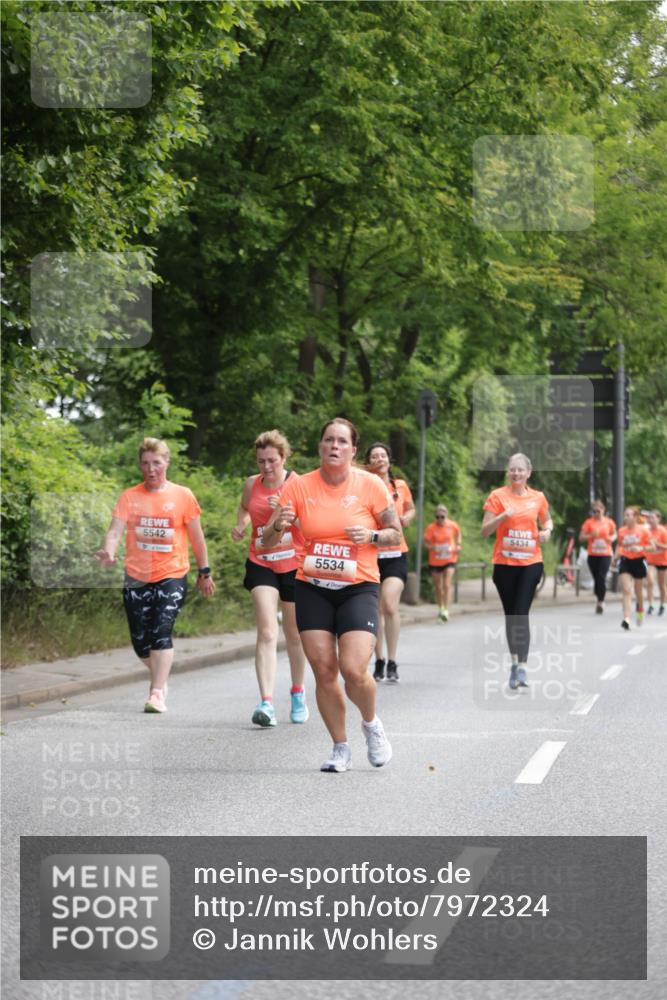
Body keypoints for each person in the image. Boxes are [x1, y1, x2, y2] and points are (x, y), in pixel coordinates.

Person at [262, 418, 401, 772]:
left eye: (341, 441)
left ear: (354, 450)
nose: (334, 446)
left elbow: (395, 534)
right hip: (312, 587)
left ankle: (371, 723)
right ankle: (340, 748)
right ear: (320, 446)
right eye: (328, 440)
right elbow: (266, 541)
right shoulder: (298, 487)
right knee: (324, 671)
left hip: (358, 586)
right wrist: (278, 524)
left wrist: (371, 537)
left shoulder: (371, 485)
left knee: (353, 669)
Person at [95, 437, 215, 713]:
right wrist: (109, 552)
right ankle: (161, 675)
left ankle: (156, 692)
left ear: (167, 463)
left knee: (161, 630)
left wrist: (204, 571)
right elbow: (115, 531)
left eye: (157, 463)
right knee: (140, 642)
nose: (151, 469)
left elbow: (197, 538)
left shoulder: (182, 496)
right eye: (146, 464)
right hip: (136, 576)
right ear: (140, 465)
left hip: (172, 573)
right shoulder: (129, 497)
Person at [231, 430, 308, 727]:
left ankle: (298, 692)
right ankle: (266, 702)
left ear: (283, 458)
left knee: (294, 633)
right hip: (261, 560)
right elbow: (245, 508)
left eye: (272, 461)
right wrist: (241, 524)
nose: (266, 467)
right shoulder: (252, 484)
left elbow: (311, 524)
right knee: (266, 631)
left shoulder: (297, 484)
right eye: (261, 461)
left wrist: (287, 514)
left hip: (293, 563)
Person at [481, 453, 553, 690]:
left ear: (528, 473)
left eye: (520, 470)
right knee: (511, 615)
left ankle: (522, 667)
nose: (516, 473)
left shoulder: (538, 498)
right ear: (508, 472)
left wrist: (547, 532)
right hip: (504, 565)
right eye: (512, 469)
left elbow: (547, 521)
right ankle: (514, 663)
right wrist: (502, 516)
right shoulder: (497, 496)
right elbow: (484, 531)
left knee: (521, 614)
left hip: (531, 563)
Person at [365, 442, 415, 682]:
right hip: (371, 555)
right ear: (369, 463)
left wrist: (407, 517)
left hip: (396, 554)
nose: (379, 459)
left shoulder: (400, 486)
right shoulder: (365, 487)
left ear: (389, 459)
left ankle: (393, 661)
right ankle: (379, 660)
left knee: (389, 605)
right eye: (374, 456)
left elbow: (411, 508)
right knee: (375, 610)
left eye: (383, 455)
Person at [614, 506, 654, 629]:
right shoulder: (622, 531)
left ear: (635, 517)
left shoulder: (644, 530)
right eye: (625, 515)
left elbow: (652, 547)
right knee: (626, 590)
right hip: (625, 560)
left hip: (639, 561)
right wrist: (615, 558)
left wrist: (641, 548)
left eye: (628, 515)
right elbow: (619, 545)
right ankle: (626, 619)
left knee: (638, 591)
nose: (625, 517)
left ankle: (640, 609)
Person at [423, 505, 462, 622]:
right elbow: (426, 543)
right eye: (437, 517)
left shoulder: (453, 525)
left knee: (446, 584)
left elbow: (458, 535)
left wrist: (458, 545)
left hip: (450, 559)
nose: (440, 519)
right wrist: (433, 547)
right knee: (438, 587)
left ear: (446, 515)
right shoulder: (431, 528)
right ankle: (440, 608)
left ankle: (446, 609)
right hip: (435, 560)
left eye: (442, 517)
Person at [579, 500, 617, 614]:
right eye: (594, 511)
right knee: (596, 579)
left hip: (606, 554)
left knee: (601, 577)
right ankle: (599, 597)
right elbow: (581, 537)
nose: (596, 513)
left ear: (603, 510)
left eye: (598, 511)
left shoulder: (609, 522)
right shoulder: (588, 522)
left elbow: (615, 534)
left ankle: (601, 602)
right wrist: (591, 535)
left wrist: (612, 538)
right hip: (593, 554)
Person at [646, 510, 667, 615]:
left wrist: (657, 544)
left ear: (658, 519)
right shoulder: (647, 531)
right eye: (649, 518)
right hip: (650, 561)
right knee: (650, 581)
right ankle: (651, 605)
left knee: (662, 585)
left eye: (653, 518)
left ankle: (663, 604)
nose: (650, 520)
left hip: (662, 561)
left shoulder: (663, 531)